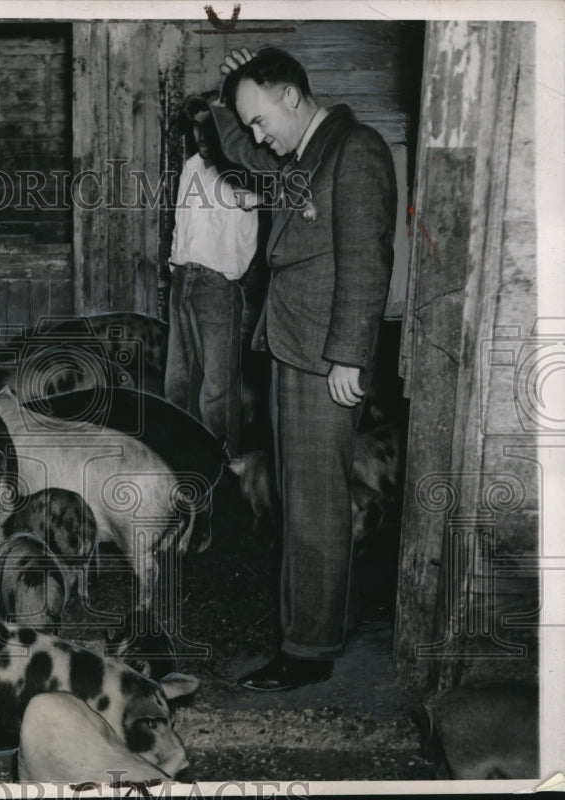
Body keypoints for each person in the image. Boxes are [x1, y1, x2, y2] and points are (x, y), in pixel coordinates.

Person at [208, 47, 397, 691]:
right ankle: (316, 625)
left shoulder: (357, 149)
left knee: (315, 506)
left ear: (291, 95)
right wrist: (225, 96)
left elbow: (368, 260)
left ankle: (308, 652)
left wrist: (350, 353)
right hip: (294, 346)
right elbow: (242, 156)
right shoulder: (301, 158)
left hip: (325, 356)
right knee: (302, 499)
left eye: (260, 118)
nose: (259, 133)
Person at [164, 92, 259, 457]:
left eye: (211, 129)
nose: (201, 137)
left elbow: (276, 194)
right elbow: (180, 225)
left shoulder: (244, 172)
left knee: (217, 392)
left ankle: (226, 470)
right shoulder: (190, 167)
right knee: (178, 383)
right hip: (182, 281)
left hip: (218, 287)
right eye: (196, 128)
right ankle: (184, 463)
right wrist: (175, 266)